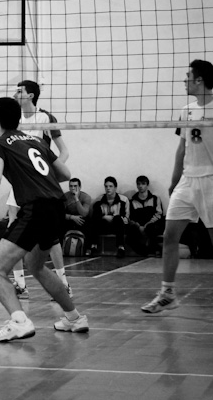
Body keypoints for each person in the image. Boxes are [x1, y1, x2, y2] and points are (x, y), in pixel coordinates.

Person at [0, 97, 87, 342]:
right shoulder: (36, 140)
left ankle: (19, 322)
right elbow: (65, 173)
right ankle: (74, 317)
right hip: (56, 207)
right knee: (36, 265)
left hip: (36, 209)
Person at [142, 60, 213, 314]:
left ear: (200, 80)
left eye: (188, 76)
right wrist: (174, 182)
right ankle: (167, 294)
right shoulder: (186, 111)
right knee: (170, 236)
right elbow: (182, 148)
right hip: (187, 181)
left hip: (211, 180)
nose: (184, 80)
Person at [8, 80, 72, 298]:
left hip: (41, 182)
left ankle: (63, 284)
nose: (15, 94)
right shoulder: (14, 119)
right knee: (12, 226)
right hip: (20, 180)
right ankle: (20, 284)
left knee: (49, 235)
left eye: (19, 91)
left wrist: (51, 172)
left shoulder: (45, 118)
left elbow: (64, 151)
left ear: (31, 95)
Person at [87, 177, 129, 257]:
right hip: (104, 225)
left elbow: (126, 218)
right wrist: (104, 217)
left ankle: (121, 248)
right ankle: (93, 246)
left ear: (115, 188)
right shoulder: (99, 200)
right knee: (94, 221)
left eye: (110, 186)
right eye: (106, 186)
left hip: (118, 225)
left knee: (118, 219)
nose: (108, 188)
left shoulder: (124, 200)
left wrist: (114, 218)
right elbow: (95, 216)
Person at [126, 176, 165, 257]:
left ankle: (155, 249)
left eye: (143, 184)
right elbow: (130, 217)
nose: (140, 186)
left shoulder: (155, 199)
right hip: (138, 226)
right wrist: (139, 226)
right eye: (138, 184)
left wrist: (147, 224)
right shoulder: (132, 201)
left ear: (147, 185)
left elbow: (159, 214)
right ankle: (144, 251)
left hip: (152, 225)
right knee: (130, 234)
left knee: (152, 228)